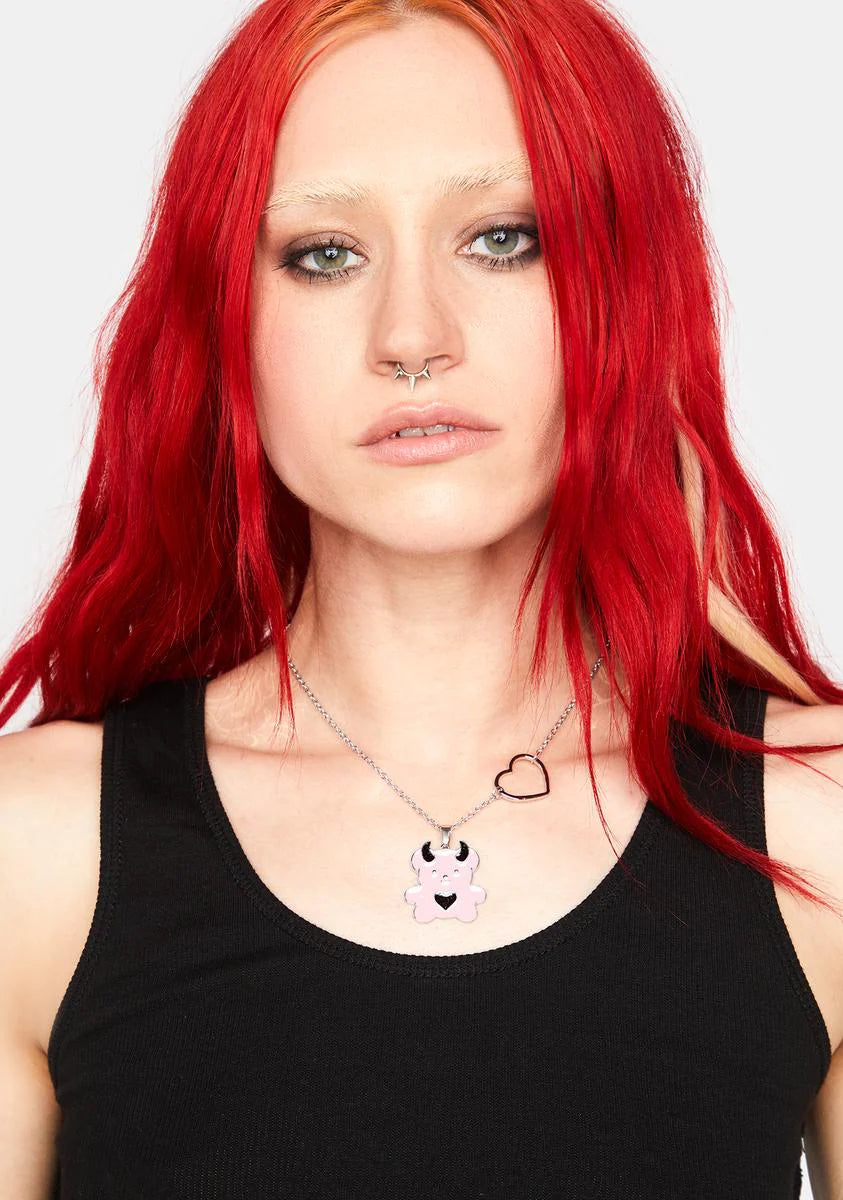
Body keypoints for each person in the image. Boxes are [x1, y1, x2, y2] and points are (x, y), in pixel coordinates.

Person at [1, 0, 841, 1195]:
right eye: (323, 254)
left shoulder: (820, 837)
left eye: (503, 238)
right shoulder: (34, 854)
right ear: (225, 319)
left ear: (627, 283)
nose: (412, 336)